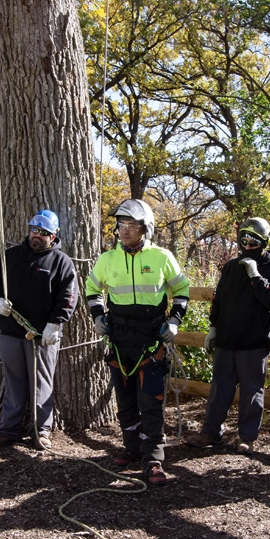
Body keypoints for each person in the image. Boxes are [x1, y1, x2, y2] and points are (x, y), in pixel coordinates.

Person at [85, 199, 190, 486]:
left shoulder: (162, 257)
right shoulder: (107, 259)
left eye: (131, 225)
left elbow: (181, 289)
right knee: (125, 399)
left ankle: (153, 456)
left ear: (146, 228)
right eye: (121, 225)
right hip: (119, 339)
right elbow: (92, 288)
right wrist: (97, 316)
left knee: (150, 400)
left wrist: (174, 321)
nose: (124, 230)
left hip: (150, 340)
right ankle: (132, 447)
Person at [186, 217, 270, 453]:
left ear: (264, 242)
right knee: (219, 388)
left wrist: (255, 276)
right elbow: (218, 298)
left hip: (254, 341)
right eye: (245, 242)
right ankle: (211, 433)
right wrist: (213, 327)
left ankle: (247, 438)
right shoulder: (232, 266)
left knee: (252, 392)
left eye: (254, 242)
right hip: (227, 338)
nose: (249, 247)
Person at [0, 210, 78, 450]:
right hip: (10, 332)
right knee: (14, 382)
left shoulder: (61, 262)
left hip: (44, 334)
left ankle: (41, 430)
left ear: (54, 236)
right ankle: (9, 430)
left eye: (44, 233)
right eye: (35, 230)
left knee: (42, 382)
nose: (37, 236)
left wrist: (56, 323)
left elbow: (69, 295)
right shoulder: (10, 257)